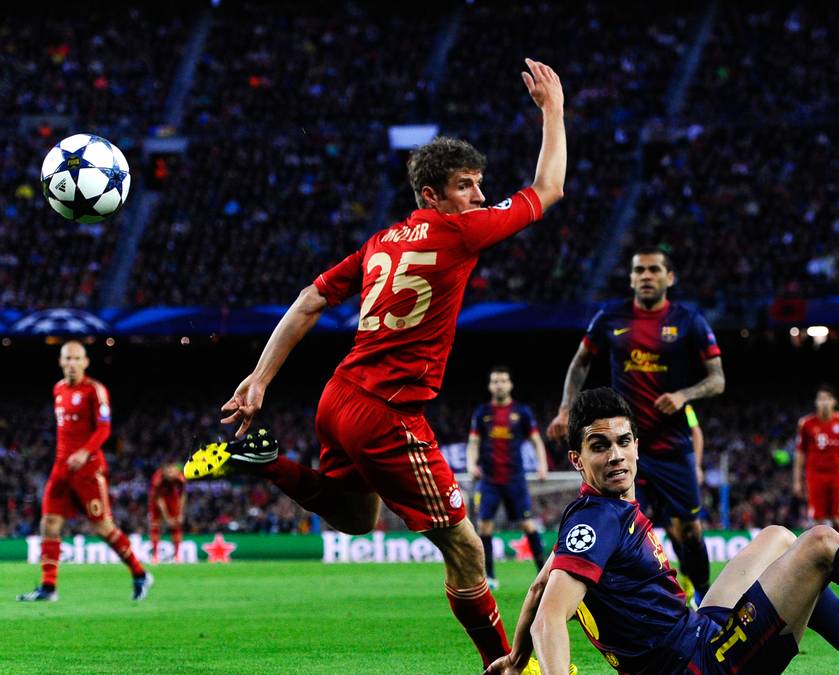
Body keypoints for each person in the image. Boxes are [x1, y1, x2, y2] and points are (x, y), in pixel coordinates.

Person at [183, 59, 566, 666]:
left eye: (479, 183)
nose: (480, 195)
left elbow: (310, 300)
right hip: (387, 412)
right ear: (432, 195)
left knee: (358, 517)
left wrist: (261, 376)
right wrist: (553, 109)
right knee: (466, 551)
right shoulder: (460, 231)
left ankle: (266, 461)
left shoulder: (381, 241)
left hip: (338, 398)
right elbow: (549, 189)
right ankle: (506, 665)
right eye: (468, 185)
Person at [485, 388, 839, 675]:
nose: (617, 457)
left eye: (624, 441)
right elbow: (556, 610)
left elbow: (539, 589)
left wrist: (514, 659)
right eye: (599, 446)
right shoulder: (598, 519)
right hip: (696, 666)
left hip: (694, 636)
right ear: (577, 459)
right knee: (822, 543)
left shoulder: (590, 516)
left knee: (778, 537)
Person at [546, 247, 725, 601]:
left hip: (673, 446)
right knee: (623, 524)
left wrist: (684, 395)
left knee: (688, 529)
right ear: (630, 278)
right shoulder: (610, 317)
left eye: (654, 269)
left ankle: (705, 598)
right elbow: (580, 362)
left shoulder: (688, 320)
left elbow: (717, 379)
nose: (645, 276)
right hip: (624, 446)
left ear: (669, 278)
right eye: (638, 270)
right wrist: (566, 409)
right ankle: (631, 600)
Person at [17, 341, 152, 602]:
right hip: (61, 468)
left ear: (86, 362)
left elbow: (104, 429)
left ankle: (139, 573)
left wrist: (84, 451)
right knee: (49, 523)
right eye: (67, 359)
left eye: (77, 358)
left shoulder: (95, 390)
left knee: (102, 527)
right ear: (60, 362)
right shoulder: (58, 389)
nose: (71, 363)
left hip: (88, 469)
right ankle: (48, 588)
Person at [468, 365, 549, 587]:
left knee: (528, 525)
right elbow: (473, 442)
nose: (499, 384)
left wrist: (542, 465)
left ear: (510, 384)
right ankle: (490, 577)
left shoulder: (521, 412)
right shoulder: (482, 413)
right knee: (484, 527)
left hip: (515, 478)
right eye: (495, 381)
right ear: (490, 385)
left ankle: (544, 574)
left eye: (503, 380)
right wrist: (471, 464)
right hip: (489, 480)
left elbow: (536, 440)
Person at [793, 385, 839, 533]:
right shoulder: (806, 423)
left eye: (827, 399)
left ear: (834, 402)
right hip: (814, 474)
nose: (824, 402)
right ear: (816, 402)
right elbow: (800, 453)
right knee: (817, 519)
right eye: (821, 399)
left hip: (836, 474)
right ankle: (820, 554)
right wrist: (796, 480)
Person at [149, 463, 188, 564]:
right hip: (156, 499)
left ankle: (177, 556)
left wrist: (180, 513)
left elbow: (183, 495)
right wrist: (166, 518)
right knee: (155, 526)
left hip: (172, 496)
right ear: (164, 471)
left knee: (176, 525)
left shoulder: (180, 478)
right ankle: (155, 556)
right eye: (169, 471)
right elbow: (159, 500)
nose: (171, 474)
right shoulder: (157, 479)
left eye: (173, 471)